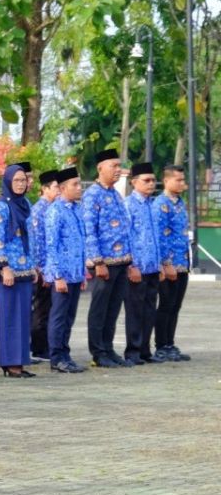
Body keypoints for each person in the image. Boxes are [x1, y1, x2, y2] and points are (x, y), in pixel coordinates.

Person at [81, 148, 136, 368]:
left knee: (113, 309)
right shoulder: (92, 195)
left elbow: (125, 229)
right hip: (104, 263)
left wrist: (130, 261)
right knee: (99, 309)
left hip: (121, 262)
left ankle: (109, 348)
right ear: (100, 168)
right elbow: (89, 230)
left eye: (119, 166)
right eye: (113, 166)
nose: (117, 170)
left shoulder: (114, 194)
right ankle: (98, 352)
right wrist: (98, 261)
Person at [0, 164, 36, 378]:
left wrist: (33, 265)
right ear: (8, 182)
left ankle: (20, 360)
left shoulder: (26, 203)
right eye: (16, 180)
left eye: (23, 180)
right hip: (9, 271)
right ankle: (9, 363)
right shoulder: (1, 206)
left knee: (23, 317)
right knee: (10, 317)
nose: (21, 184)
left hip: (25, 269)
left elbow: (30, 237)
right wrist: (4, 266)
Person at [45, 167, 88, 373]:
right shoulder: (55, 211)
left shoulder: (76, 209)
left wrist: (82, 273)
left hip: (75, 273)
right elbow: (51, 245)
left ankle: (65, 354)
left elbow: (81, 242)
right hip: (62, 275)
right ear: (62, 188)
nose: (79, 188)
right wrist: (57, 275)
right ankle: (56, 358)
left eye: (80, 184)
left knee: (69, 317)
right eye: (75, 185)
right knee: (59, 316)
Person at [123, 162, 162, 365]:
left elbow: (157, 237)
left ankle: (145, 350)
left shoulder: (153, 205)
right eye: (146, 180)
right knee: (135, 310)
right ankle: (133, 351)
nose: (151, 184)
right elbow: (126, 237)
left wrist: (161, 264)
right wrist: (132, 265)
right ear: (134, 182)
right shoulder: (128, 205)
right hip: (137, 267)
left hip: (153, 266)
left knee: (149, 310)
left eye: (153, 180)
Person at [154, 165, 191, 362]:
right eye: (178, 180)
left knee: (175, 305)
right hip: (168, 264)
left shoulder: (179, 203)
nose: (182, 184)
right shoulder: (161, 204)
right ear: (167, 181)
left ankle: (170, 343)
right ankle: (160, 345)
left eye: (183, 180)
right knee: (166, 305)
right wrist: (165, 263)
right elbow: (159, 236)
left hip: (182, 262)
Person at [28, 170, 61, 362]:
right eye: (56, 187)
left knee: (49, 307)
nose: (58, 191)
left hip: (51, 267)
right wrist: (41, 269)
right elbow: (38, 243)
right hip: (42, 269)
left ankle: (46, 344)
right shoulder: (39, 210)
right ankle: (39, 347)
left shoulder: (54, 208)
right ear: (45, 188)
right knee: (41, 308)